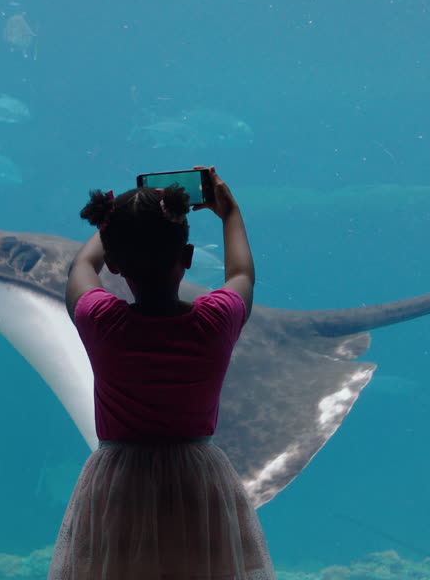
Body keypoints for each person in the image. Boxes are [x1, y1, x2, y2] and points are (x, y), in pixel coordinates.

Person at [49, 166, 274, 580]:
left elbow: (81, 265)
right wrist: (230, 213)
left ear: (114, 264)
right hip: (197, 482)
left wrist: (117, 219)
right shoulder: (215, 320)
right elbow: (242, 275)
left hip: (119, 484)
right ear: (187, 258)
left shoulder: (102, 321)